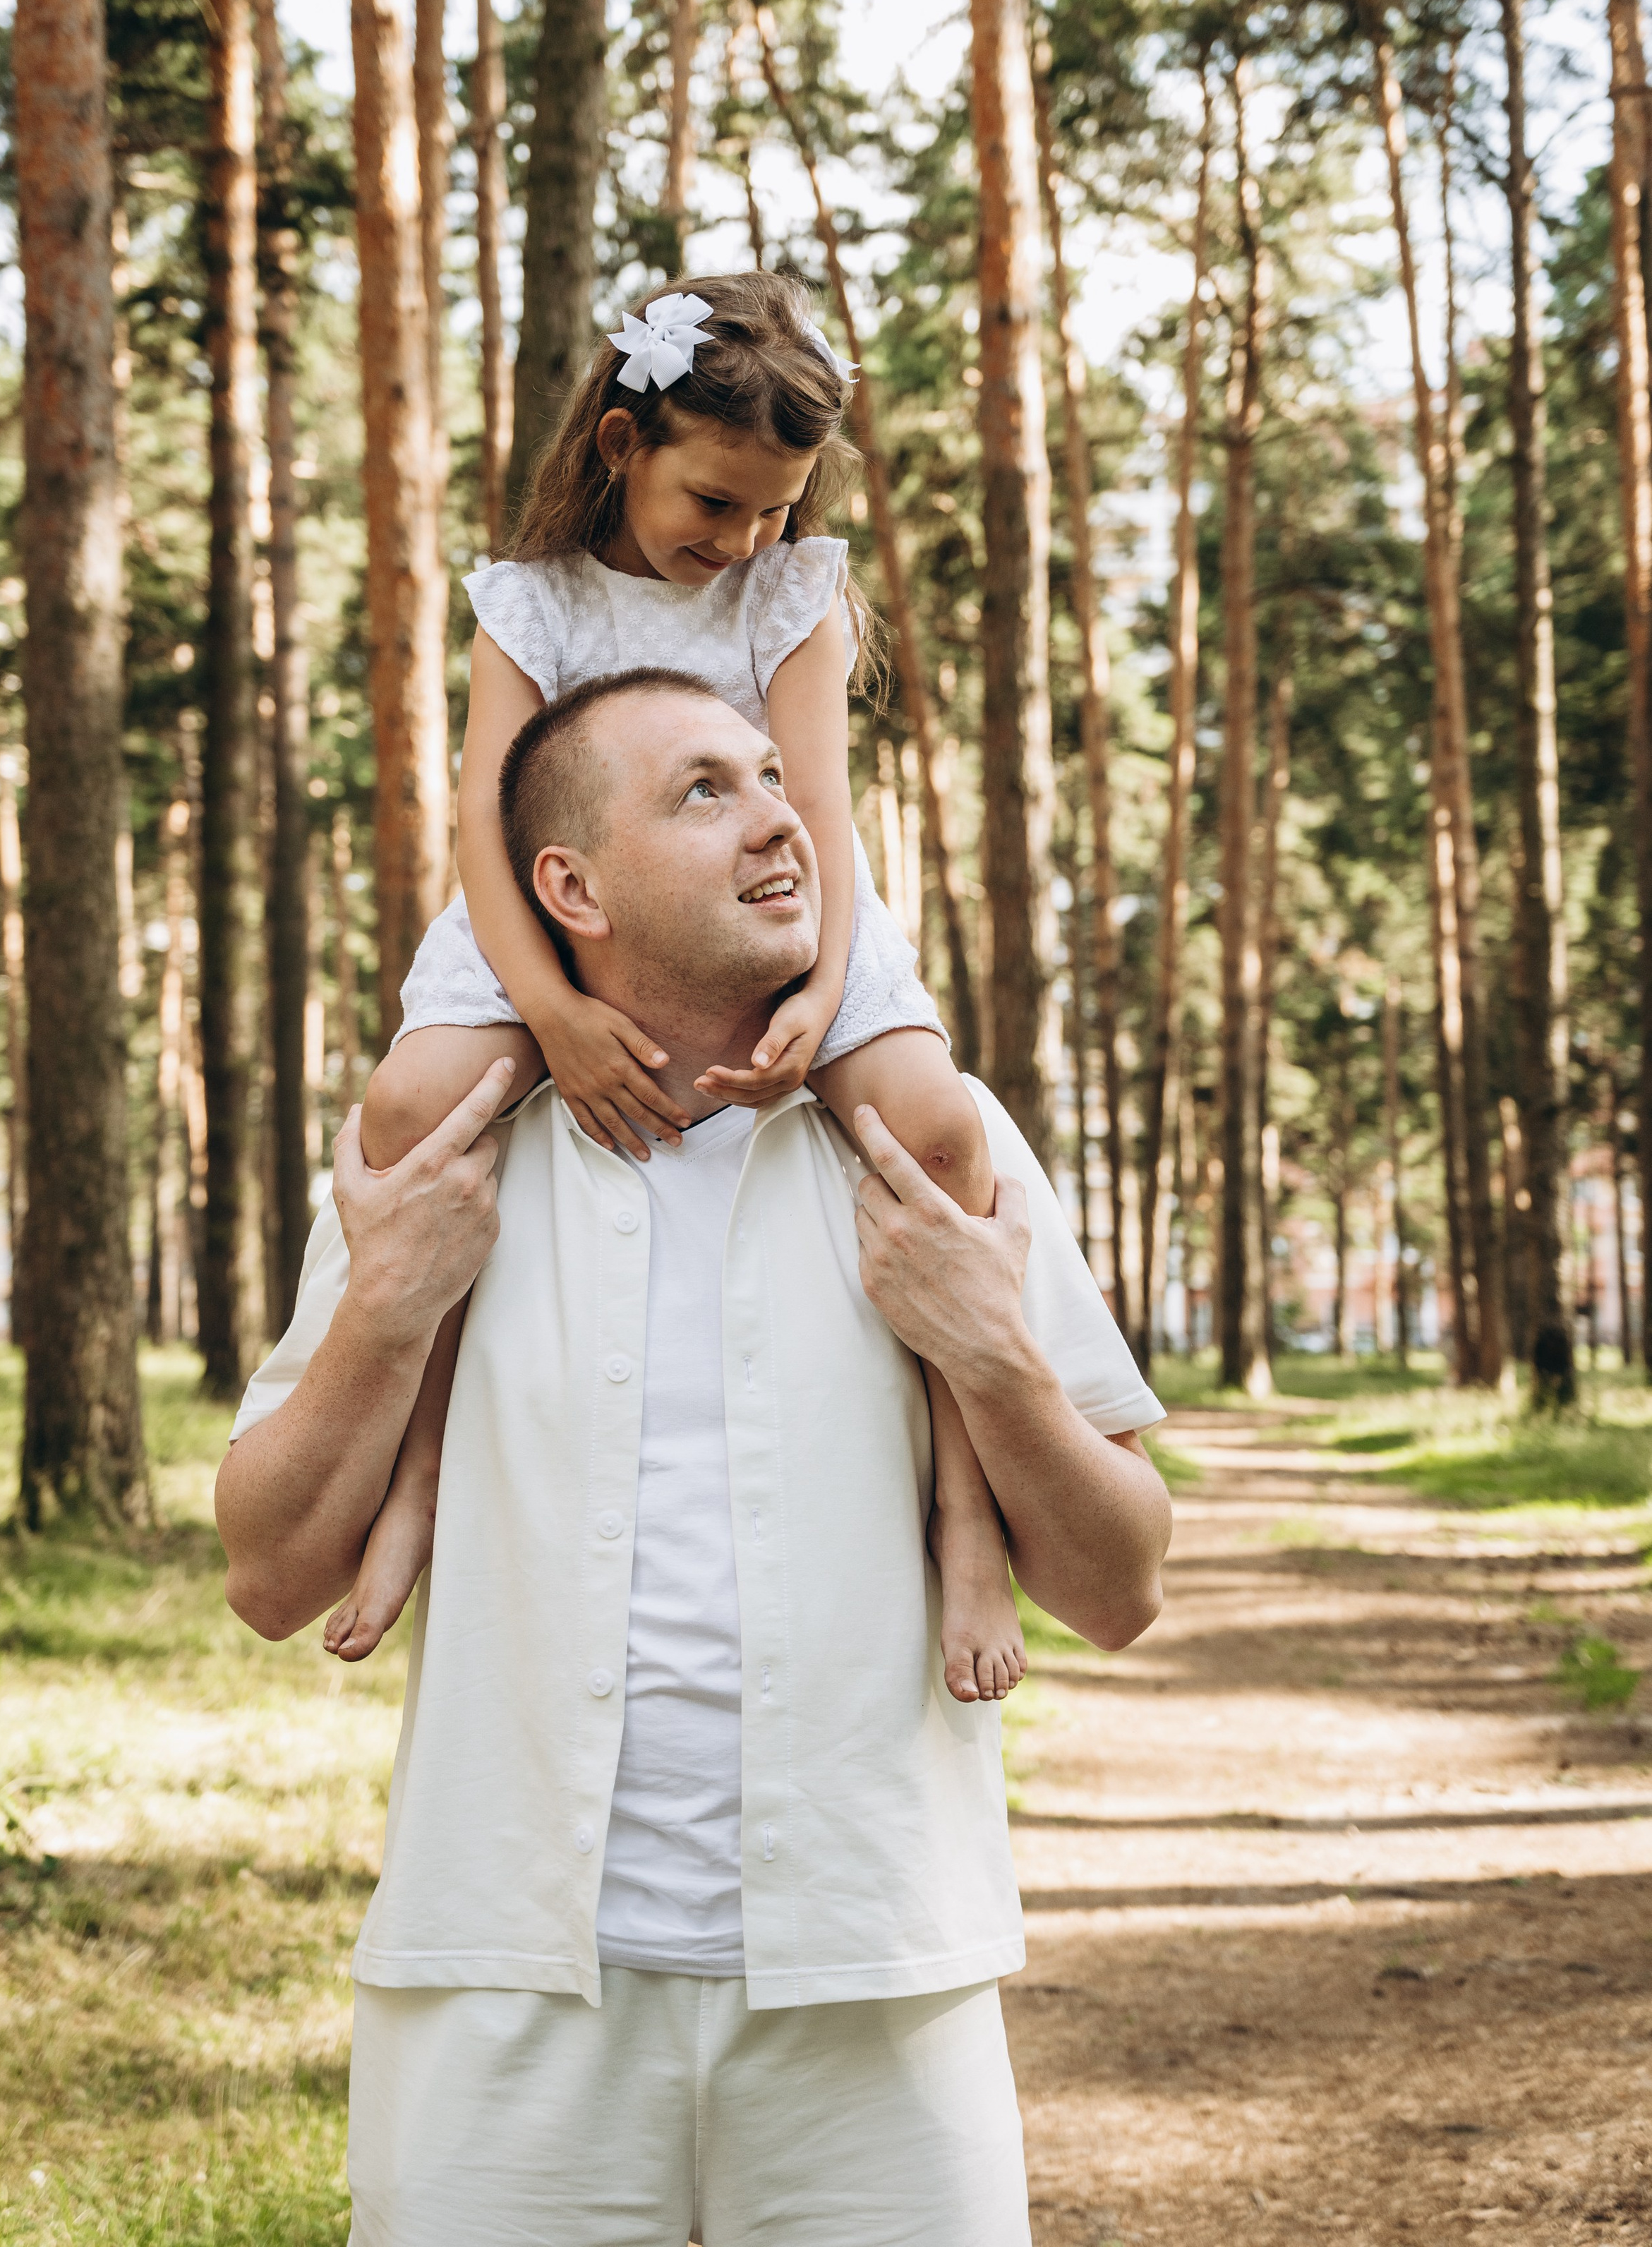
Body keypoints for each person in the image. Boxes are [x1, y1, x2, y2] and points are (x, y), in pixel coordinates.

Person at [216, 670, 1169, 2247]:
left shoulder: (937, 1145)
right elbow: (268, 1575)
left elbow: (1120, 1587)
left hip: (877, 1990)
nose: (779, 819)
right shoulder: (441, 1155)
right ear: (569, 889)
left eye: (773, 778)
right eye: (703, 792)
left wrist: (992, 1356)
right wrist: (388, 1306)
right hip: (502, 1995)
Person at [332, 272, 1025, 1703]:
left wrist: (819, 989)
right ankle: (417, 1475)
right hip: (546, 914)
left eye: (774, 510)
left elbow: (818, 813)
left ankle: (965, 1512)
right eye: (714, 502)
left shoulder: (791, 595)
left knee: (936, 1126)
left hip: (785, 907)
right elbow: (482, 829)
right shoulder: (533, 604)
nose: (742, 539)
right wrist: (552, 1014)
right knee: (411, 1112)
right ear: (620, 444)